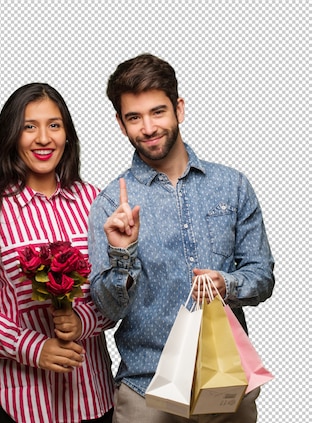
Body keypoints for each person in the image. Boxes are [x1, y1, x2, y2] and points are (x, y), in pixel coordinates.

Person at [88, 54, 275, 422]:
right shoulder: (111, 203)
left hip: (226, 385)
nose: (148, 127)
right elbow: (108, 310)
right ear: (120, 124)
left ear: (179, 109)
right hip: (147, 391)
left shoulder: (232, 186)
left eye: (158, 112)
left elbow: (263, 277)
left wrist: (228, 283)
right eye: (134, 117)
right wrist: (122, 254)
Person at [0, 83, 114, 423]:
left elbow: (115, 291)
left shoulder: (93, 200)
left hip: (94, 397)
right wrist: (34, 348)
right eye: (30, 126)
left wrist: (82, 321)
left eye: (54, 125)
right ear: (12, 135)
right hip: (23, 403)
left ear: (67, 135)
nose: (44, 138)